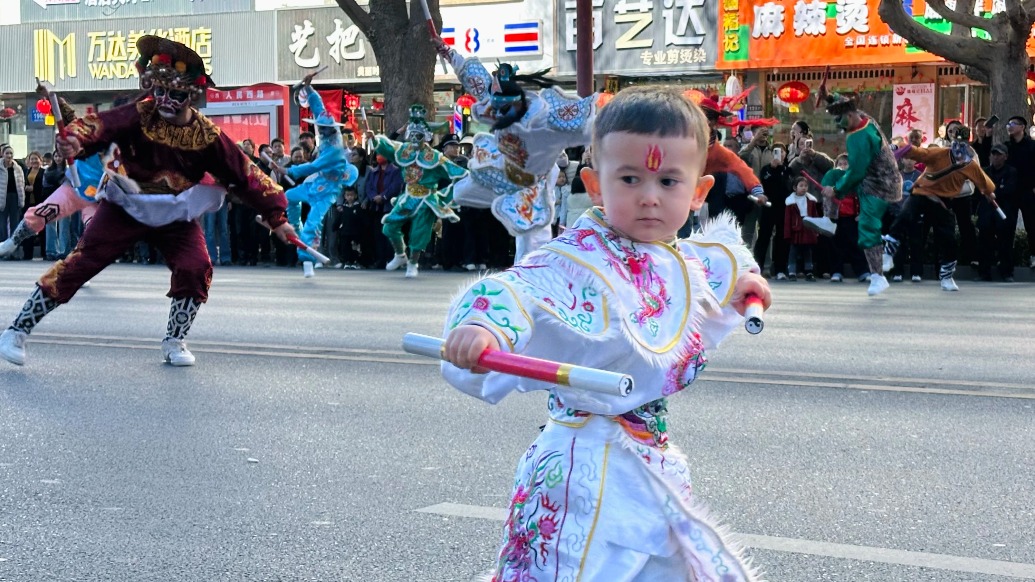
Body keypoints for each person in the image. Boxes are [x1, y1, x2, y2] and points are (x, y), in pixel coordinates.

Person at [439, 86, 770, 582]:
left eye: (669, 181)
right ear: (595, 185)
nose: (649, 196)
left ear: (698, 192)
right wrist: (482, 326)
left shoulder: (680, 258)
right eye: (630, 178)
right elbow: (521, 289)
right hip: (583, 462)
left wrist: (742, 284)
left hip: (649, 456)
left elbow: (712, 273)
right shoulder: (577, 256)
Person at [0, 35, 296, 368]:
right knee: (79, 263)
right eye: (160, 92)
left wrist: (277, 217)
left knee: (196, 267)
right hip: (125, 207)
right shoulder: (140, 113)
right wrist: (77, 139)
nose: (166, 100)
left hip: (175, 217)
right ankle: (16, 330)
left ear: (192, 96)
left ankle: (175, 339)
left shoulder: (208, 136)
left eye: (177, 94)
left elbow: (246, 174)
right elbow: (100, 125)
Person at [434, 37, 595, 261]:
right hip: (503, 169)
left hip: (532, 184)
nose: (498, 113)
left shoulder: (540, 117)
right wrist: (448, 52)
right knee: (460, 192)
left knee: (531, 236)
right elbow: (475, 78)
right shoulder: (497, 105)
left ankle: (531, 276)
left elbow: (568, 142)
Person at [886, 123, 996, 292]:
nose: (959, 148)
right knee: (904, 216)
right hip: (922, 193)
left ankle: (946, 277)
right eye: (956, 144)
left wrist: (989, 193)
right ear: (952, 143)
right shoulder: (938, 153)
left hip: (942, 203)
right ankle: (888, 253)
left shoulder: (970, 164)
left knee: (949, 240)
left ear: (967, 145)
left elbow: (984, 182)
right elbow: (917, 152)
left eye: (963, 144)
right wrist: (897, 146)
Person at [270, 73, 358, 278]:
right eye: (321, 127)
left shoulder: (334, 149)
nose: (322, 130)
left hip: (328, 190)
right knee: (288, 197)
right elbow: (319, 107)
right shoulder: (325, 135)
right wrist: (309, 89)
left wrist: (287, 170)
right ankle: (296, 231)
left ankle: (307, 260)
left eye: (325, 128)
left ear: (332, 130)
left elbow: (312, 166)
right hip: (316, 183)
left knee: (313, 222)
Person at [817, 93, 902, 296]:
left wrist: (837, 191)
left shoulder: (858, 137)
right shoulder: (865, 118)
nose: (841, 125)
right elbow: (845, 103)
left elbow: (856, 172)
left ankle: (877, 275)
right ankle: (829, 219)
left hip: (880, 185)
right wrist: (829, 97)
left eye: (841, 119)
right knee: (831, 174)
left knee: (866, 224)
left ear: (851, 114)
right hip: (874, 179)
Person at [370, 104, 467, 278]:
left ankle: (413, 263)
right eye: (412, 135)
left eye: (419, 135)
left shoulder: (435, 157)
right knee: (390, 226)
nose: (414, 138)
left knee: (419, 232)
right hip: (407, 197)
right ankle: (400, 255)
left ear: (426, 137)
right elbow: (388, 148)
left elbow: (457, 172)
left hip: (426, 198)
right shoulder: (404, 151)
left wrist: (450, 194)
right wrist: (375, 140)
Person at [976, 144, 1018, 282]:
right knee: (984, 242)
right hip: (987, 213)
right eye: (993, 154)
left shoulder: (1012, 172)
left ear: (1005, 156)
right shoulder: (985, 172)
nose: (995, 157)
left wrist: (993, 193)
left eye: (999, 154)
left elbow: (1010, 190)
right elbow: (979, 189)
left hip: (1004, 212)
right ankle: (984, 273)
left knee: (1005, 243)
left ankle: (1007, 273)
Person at [784, 176, 820, 281]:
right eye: (801, 186)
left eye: (805, 186)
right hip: (796, 228)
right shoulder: (790, 202)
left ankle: (809, 272)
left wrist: (816, 229)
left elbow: (814, 215)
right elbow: (787, 219)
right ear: (795, 188)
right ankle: (792, 272)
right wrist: (787, 233)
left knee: (807, 250)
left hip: (808, 227)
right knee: (793, 251)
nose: (804, 188)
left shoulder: (811, 200)